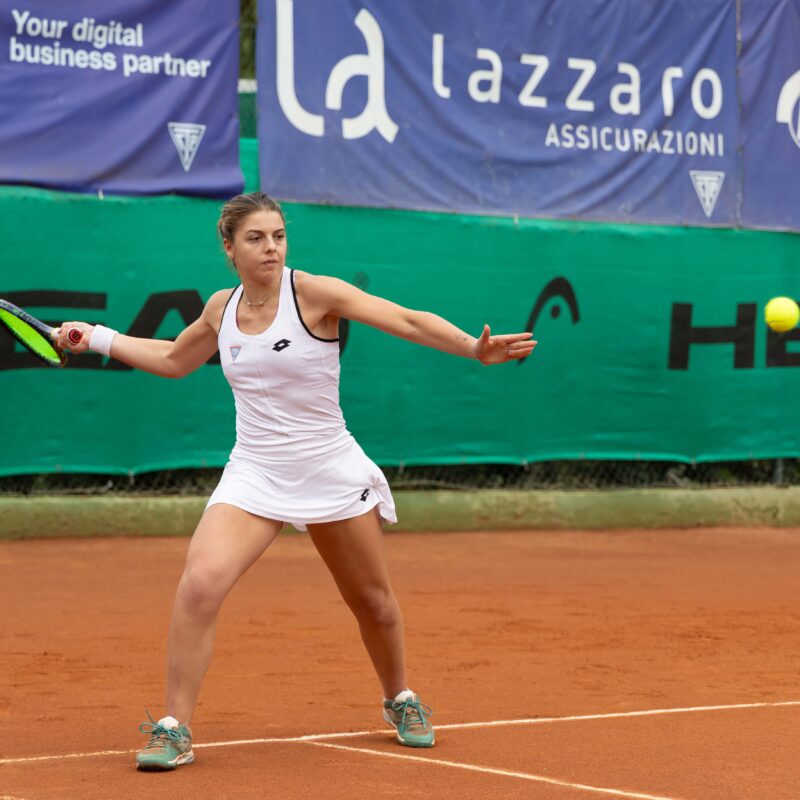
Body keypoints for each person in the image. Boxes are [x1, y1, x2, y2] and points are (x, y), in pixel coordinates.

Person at [57, 191, 537, 771]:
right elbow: (173, 358)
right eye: (257, 238)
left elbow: (404, 317)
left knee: (373, 603)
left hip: (329, 467)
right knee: (200, 583)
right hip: (254, 471)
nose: (272, 248)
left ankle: (400, 697)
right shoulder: (220, 308)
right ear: (229, 248)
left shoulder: (313, 293)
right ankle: (173, 727)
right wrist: (99, 337)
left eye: (279, 236)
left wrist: (471, 348)